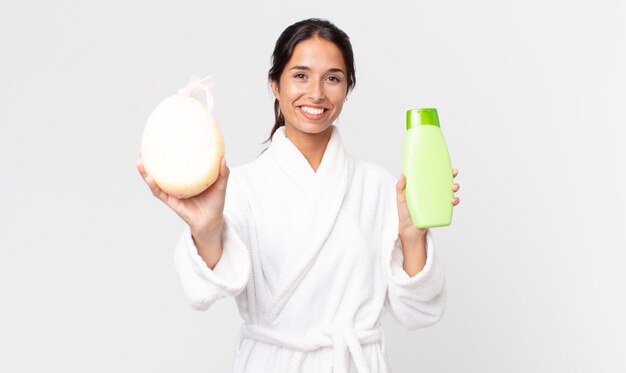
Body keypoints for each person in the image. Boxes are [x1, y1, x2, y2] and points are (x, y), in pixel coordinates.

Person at [137, 18, 460, 373]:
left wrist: (413, 235)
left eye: (333, 78)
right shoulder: (241, 186)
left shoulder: (379, 187)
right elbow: (200, 292)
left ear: (347, 88)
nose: (317, 93)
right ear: (275, 84)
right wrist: (207, 228)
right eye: (301, 76)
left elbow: (419, 311)